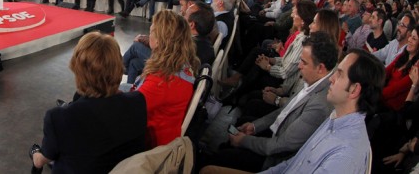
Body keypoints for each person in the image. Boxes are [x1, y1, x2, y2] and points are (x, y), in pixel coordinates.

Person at [203, 49, 385, 174]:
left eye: (340, 74)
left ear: (354, 90)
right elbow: (292, 164)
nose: (331, 79)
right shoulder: (335, 119)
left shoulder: (346, 155)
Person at [203, 32, 337, 172]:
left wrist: (243, 141)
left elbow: (280, 146)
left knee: (220, 160)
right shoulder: (313, 81)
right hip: (277, 135)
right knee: (242, 125)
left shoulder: (319, 105)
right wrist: (255, 127)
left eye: (303, 62)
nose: (299, 66)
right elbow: (284, 111)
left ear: (321, 68)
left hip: (274, 161)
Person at [30, 32, 146, 173]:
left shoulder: (58, 118)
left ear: (77, 69)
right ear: (118, 67)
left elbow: (44, 158)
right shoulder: (138, 101)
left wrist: (35, 153)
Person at [132, 10, 199, 148]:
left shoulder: (161, 80)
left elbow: (129, 111)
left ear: (159, 39)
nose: (149, 35)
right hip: (166, 131)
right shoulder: (181, 63)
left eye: (151, 32)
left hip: (152, 145)